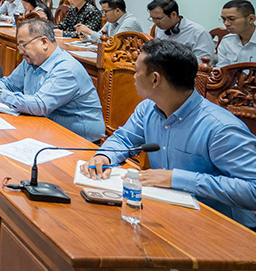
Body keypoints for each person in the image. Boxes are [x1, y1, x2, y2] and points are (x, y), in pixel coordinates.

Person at [83, 39, 256, 228]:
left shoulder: (220, 128)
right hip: (171, 214)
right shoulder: (148, 108)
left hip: (221, 227)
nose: (134, 76)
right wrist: (105, 156)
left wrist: (176, 179)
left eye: (137, 71)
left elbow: (253, 189)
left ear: (155, 79)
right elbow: (124, 139)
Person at [0, 18, 105, 142]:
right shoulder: (31, 60)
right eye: (19, 46)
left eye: (23, 45)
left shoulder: (66, 69)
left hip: (78, 141)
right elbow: (9, 84)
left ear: (44, 42)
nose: (21, 51)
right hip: (46, 129)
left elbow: (40, 105)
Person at [147, 0, 215, 62]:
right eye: (152, 18)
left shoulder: (199, 33)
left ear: (173, 14)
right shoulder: (159, 28)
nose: (155, 22)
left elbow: (203, 62)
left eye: (158, 18)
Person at [217, 0, 256, 66]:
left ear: (251, 19)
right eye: (223, 19)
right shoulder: (227, 41)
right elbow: (222, 68)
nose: (226, 23)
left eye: (232, 19)